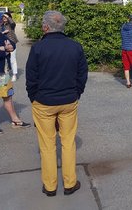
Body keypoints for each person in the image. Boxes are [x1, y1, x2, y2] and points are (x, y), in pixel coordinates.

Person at [25, 10, 88, 197]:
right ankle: (69, 183)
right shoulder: (75, 47)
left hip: (44, 102)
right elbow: (82, 74)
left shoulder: (38, 48)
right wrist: (76, 93)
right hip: (68, 101)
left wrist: (34, 98)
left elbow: (31, 78)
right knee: (68, 142)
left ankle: (50, 186)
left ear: (45, 27)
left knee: (47, 145)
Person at [1, 12, 19, 82]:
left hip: (12, 42)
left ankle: (14, 74)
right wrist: (3, 32)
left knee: (13, 59)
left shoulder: (11, 25)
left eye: (6, 17)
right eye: (3, 17)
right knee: (5, 59)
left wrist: (7, 16)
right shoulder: (1, 25)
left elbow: (13, 23)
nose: (4, 18)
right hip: (4, 43)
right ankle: (7, 73)